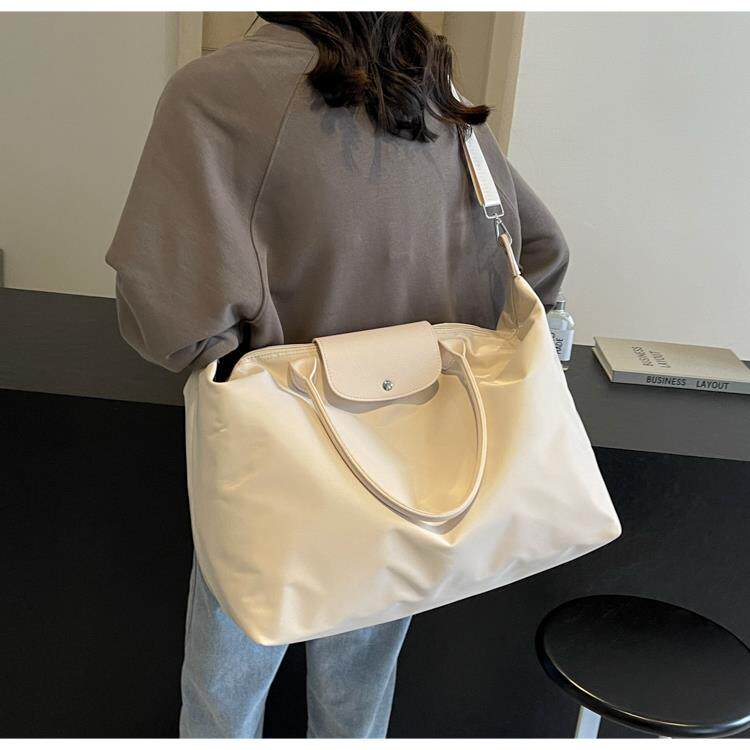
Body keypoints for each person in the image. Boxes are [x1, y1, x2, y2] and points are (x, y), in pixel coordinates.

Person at [106, 12, 569, 739]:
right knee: (358, 696)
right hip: (418, 459)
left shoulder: (217, 91)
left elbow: (168, 311)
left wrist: (244, 352)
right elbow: (539, 250)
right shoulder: (427, 84)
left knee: (225, 691)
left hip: (277, 448)